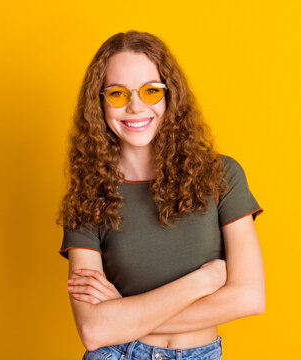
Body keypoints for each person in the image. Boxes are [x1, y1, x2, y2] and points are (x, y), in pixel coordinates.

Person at [57, 30, 265, 360]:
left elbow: (249, 297)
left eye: (151, 91)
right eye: (117, 93)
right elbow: (94, 330)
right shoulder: (88, 195)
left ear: (170, 97)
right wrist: (205, 280)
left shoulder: (220, 176)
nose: (135, 106)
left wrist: (122, 315)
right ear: (99, 102)